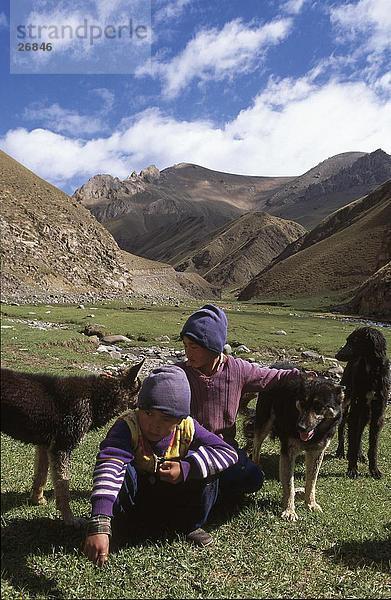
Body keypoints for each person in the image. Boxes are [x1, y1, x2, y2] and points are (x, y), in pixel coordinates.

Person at [83, 365, 238, 565]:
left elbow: (228, 452)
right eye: (148, 413)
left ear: (180, 420)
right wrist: (99, 521)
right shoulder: (127, 426)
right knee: (122, 469)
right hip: (136, 504)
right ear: (139, 408)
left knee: (207, 467)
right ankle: (119, 526)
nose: (154, 425)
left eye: (166, 419)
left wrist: (187, 468)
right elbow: (110, 465)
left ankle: (189, 525)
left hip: (174, 502)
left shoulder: (188, 427)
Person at [177, 304, 301, 499]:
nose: (187, 353)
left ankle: (212, 490)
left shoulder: (237, 369)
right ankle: (210, 491)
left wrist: (299, 375)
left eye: (193, 347)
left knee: (253, 477)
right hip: (188, 447)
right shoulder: (179, 373)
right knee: (196, 477)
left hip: (224, 448)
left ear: (213, 346)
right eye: (185, 346)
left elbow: (270, 377)